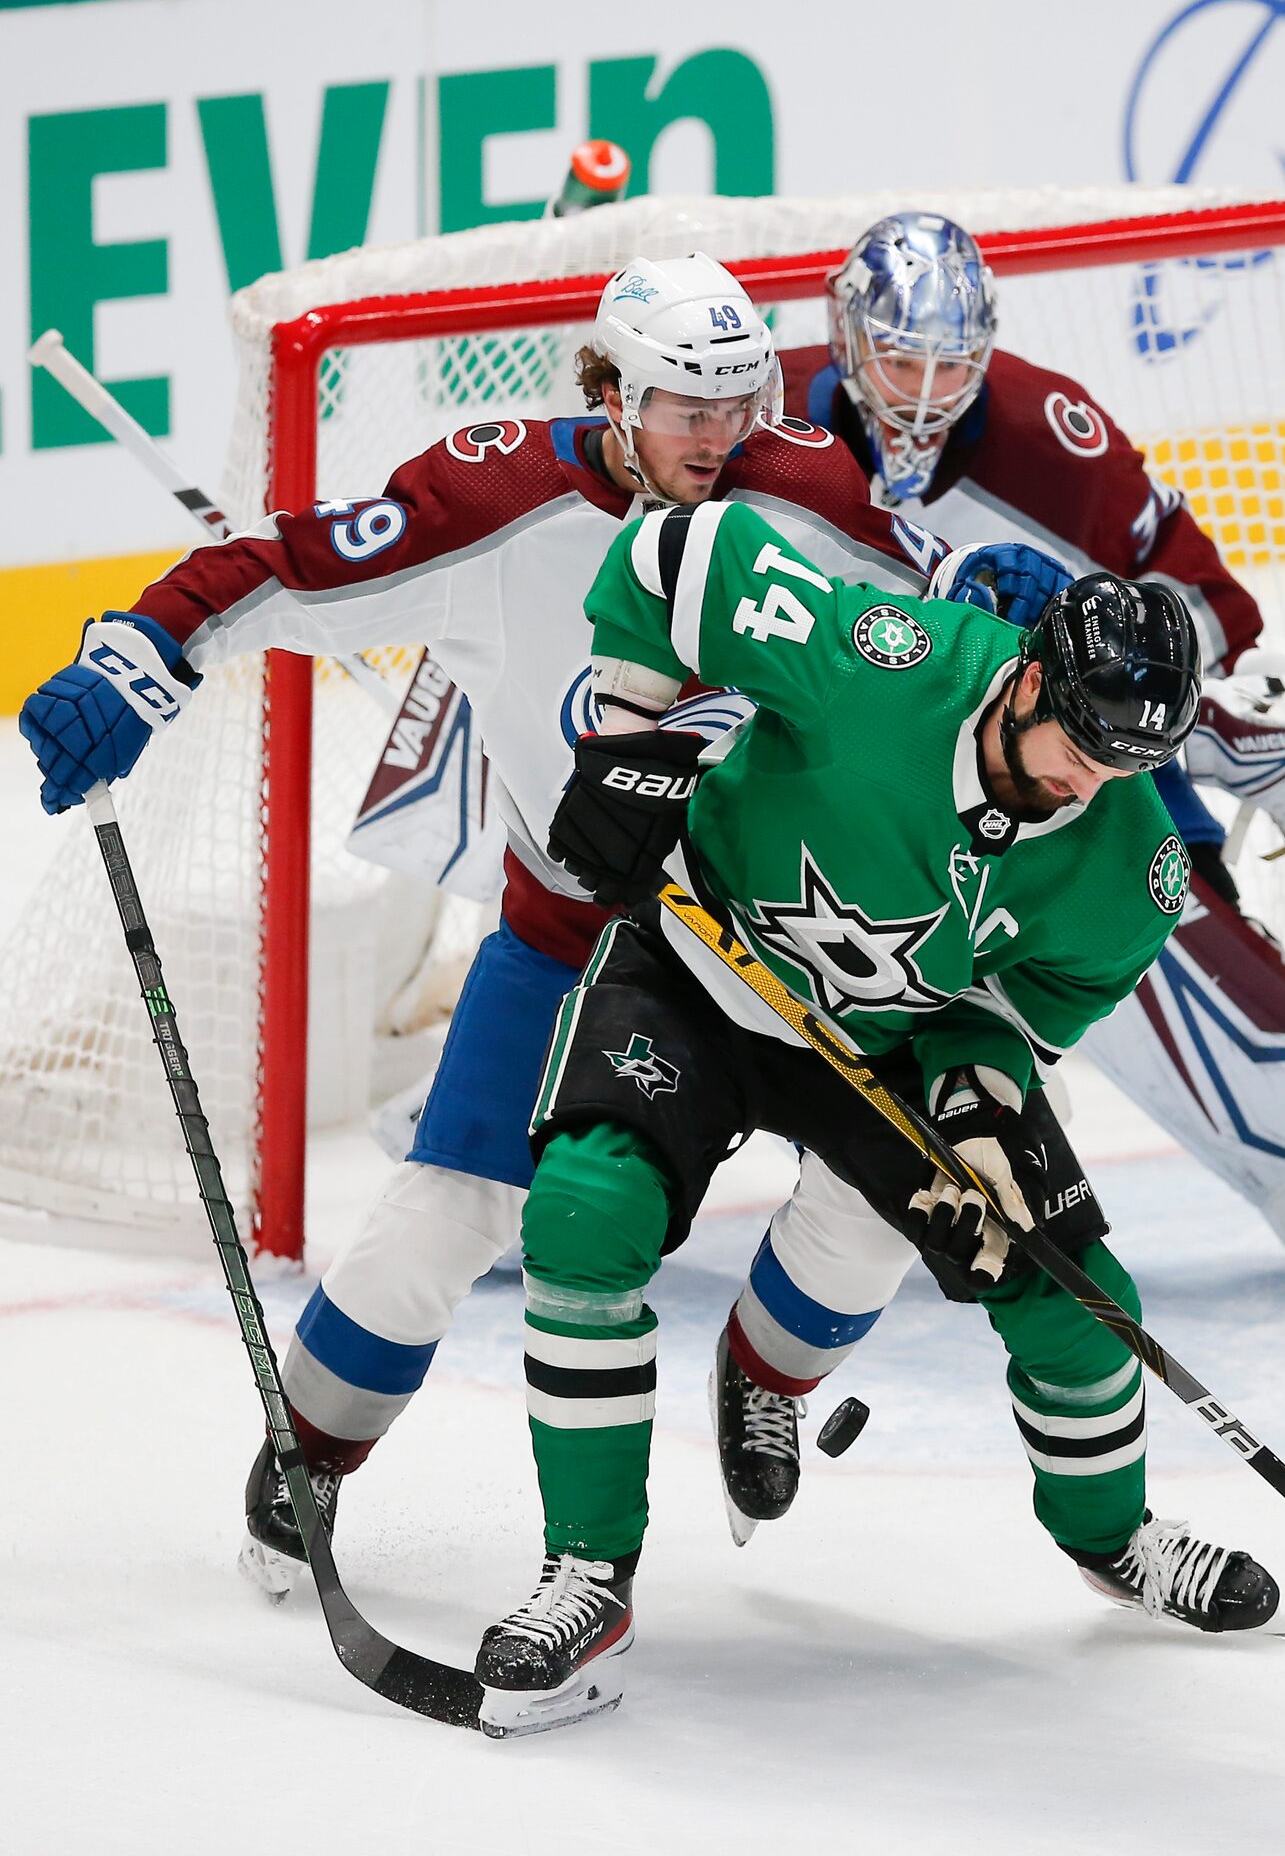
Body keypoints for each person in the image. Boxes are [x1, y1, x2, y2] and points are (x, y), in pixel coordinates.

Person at [17, 251, 958, 1596]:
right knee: (443, 1217)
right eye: (686, 407)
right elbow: (282, 562)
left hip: (801, 939)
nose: (718, 437)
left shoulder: (804, 492)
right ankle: (310, 1451)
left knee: (896, 1190)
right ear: (609, 391)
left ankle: (761, 1374)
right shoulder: (492, 504)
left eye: (736, 402)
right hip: (583, 944)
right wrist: (146, 652)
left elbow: (943, 636)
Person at [473, 498, 1285, 1739]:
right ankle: (591, 1577)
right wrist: (627, 742)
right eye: (1076, 743)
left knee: (1074, 1291)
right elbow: (673, 554)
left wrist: (978, 1102)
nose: (1088, 782)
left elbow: (1023, 1010)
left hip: (893, 1043)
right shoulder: (877, 658)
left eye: (1124, 765)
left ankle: (1111, 1537)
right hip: (702, 960)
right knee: (588, 1211)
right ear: (1024, 679)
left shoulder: (1133, 868)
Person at [773, 210, 1285, 1301]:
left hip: (1060, 788)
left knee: (1188, 966)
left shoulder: (1052, 441)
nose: (925, 389)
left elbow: (1209, 610)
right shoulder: (759, 429)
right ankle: (507, 1148)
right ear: (847, 336)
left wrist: (1124, 668)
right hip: (846, 799)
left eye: (955, 362)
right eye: (901, 355)